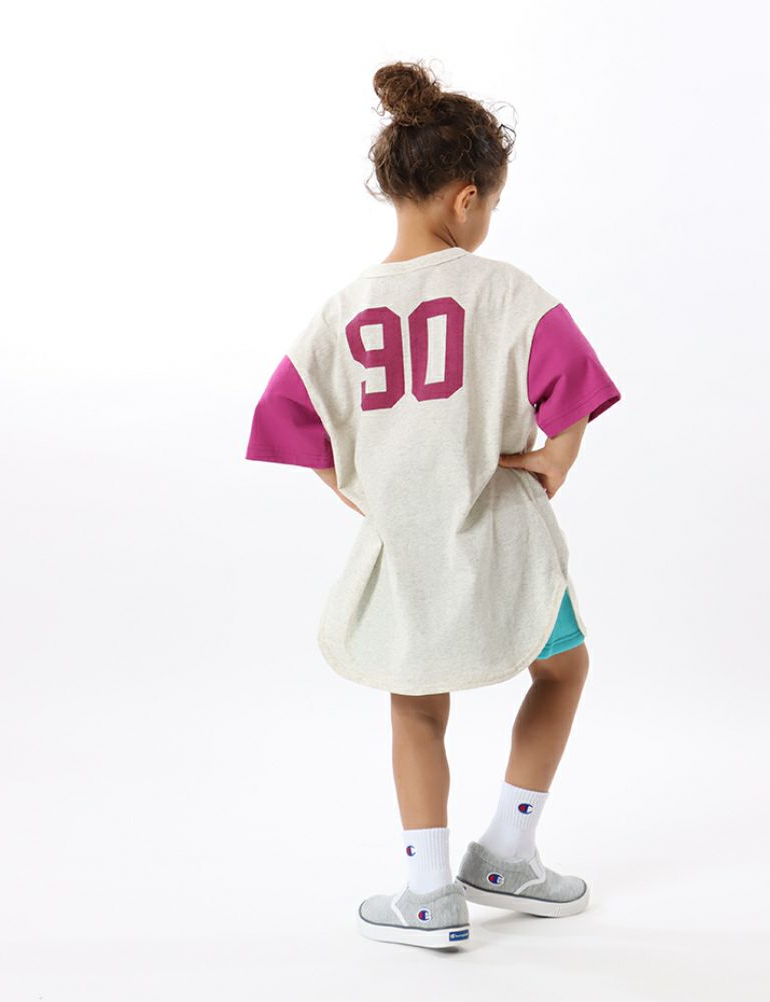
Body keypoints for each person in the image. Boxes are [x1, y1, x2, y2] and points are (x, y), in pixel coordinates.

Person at [245, 59, 621, 950]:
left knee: (416, 706)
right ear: (465, 197)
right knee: (562, 669)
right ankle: (509, 853)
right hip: (507, 537)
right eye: (492, 203)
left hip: (409, 545)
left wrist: (367, 492)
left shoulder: (342, 312)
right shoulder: (504, 291)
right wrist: (555, 457)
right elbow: (573, 381)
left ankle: (426, 895)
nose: (490, 221)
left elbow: (289, 417)